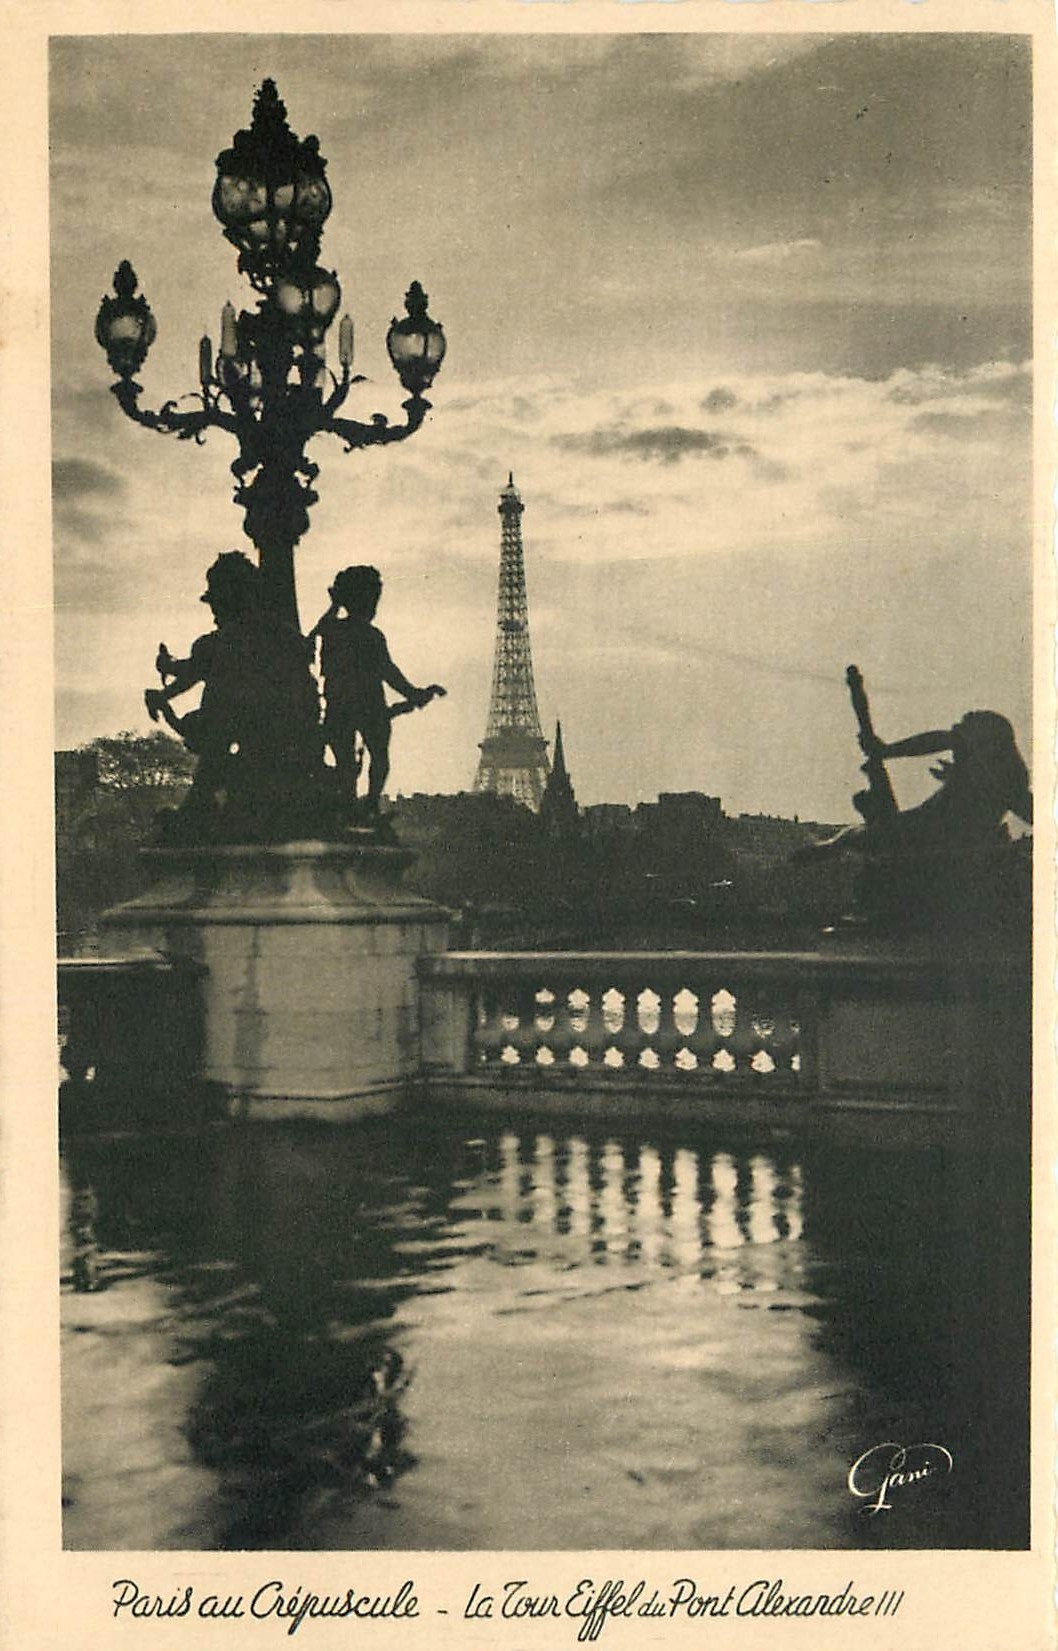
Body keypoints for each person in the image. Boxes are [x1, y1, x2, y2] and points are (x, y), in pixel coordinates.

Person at [805, 710, 1032, 857]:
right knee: (860, 834)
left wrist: (886, 751)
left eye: (962, 733)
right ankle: (836, 843)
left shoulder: (1004, 777)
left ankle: (835, 844)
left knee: (864, 836)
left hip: (941, 842)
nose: (954, 738)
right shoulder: (978, 771)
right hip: (930, 831)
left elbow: (937, 741)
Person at [308, 565, 441, 814]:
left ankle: (351, 803)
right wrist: (413, 694)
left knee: (346, 762)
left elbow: (316, 633)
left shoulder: (334, 630)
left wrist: (334, 604)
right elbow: (388, 672)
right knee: (379, 758)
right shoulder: (371, 635)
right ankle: (370, 803)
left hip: (340, 706)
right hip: (371, 706)